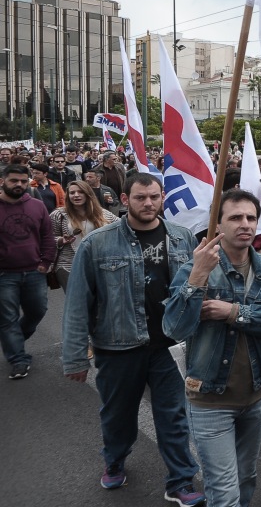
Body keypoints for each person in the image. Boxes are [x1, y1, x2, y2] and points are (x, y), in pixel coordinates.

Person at [61, 173, 205, 505]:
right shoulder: (97, 243)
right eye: (140, 197)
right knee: (117, 416)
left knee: (174, 417)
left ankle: (181, 480)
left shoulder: (183, 238)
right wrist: (74, 357)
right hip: (118, 348)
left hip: (169, 347)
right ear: (125, 200)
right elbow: (78, 304)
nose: (148, 203)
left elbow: (197, 291)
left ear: (163, 197)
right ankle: (114, 459)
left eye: (154, 196)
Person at [163, 189, 261, 507]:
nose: (245, 224)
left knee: (246, 476)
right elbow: (174, 328)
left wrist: (234, 312)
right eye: (235, 217)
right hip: (210, 399)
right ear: (218, 224)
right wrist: (197, 276)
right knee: (223, 489)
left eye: (251, 217)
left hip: (257, 395)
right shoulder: (195, 268)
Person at [0, 164, 54, 380]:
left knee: (38, 311)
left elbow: (47, 236)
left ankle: (13, 339)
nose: (19, 185)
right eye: (14, 180)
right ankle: (18, 359)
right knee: (8, 319)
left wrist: (46, 261)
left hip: (34, 271)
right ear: (3, 180)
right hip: (4, 275)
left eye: (23, 181)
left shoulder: (37, 206)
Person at [50, 180, 117, 289]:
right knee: (76, 302)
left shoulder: (102, 213)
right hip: (68, 265)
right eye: (72, 193)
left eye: (81, 192)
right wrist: (61, 240)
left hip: (98, 264)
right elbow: (47, 239)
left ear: (88, 194)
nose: (76, 195)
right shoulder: (59, 215)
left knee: (98, 300)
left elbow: (121, 227)